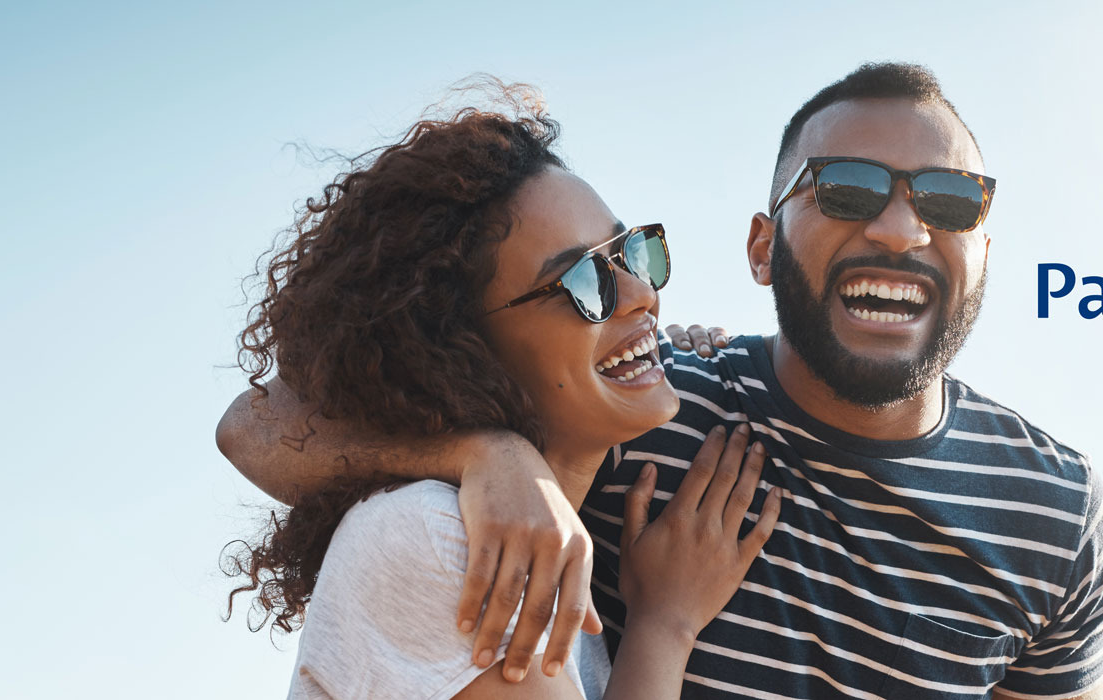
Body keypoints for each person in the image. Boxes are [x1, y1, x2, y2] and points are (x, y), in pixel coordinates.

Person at [220, 63, 1103, 699]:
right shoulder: (640, 412)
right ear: (763, 249)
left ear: (985, 251)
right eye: (846, 191)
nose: (900, 230)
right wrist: (485, 453)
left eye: (949, 200)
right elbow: (257, 425)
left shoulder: (1058, 513)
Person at [220, 83, 784, 699]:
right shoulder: (440, 538)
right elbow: (246, 426)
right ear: (461, 346)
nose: (641, 294)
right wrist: (665, 625)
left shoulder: (535, 556)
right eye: (585, 281)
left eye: (632, 254)